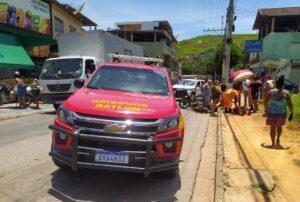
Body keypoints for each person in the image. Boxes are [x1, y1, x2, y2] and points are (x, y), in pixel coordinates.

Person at [265, 75, 293, 147]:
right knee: (279, 127)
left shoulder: (270, 91)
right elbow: (290, 104)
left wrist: (266, 109)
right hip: (281, 113)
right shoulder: (286, 92)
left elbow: (265, 101)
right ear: (283, 85)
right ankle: (278, 139)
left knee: (272, 128)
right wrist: (291, 112)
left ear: (276, 84)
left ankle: (273, 143)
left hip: (272, 113)